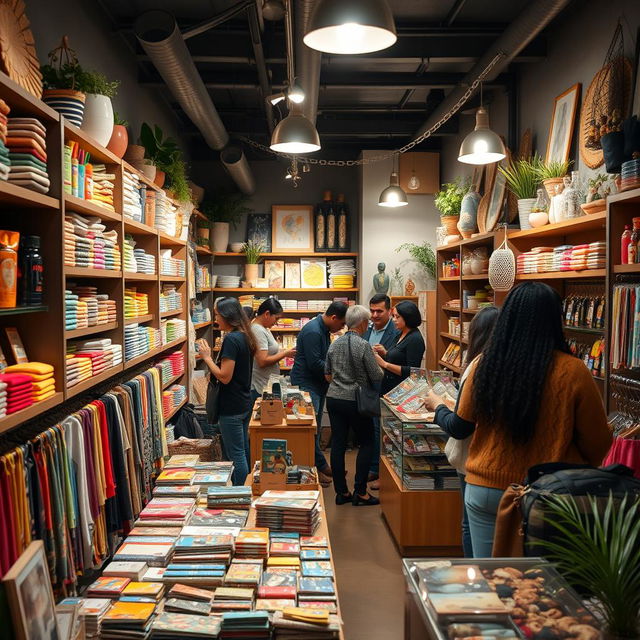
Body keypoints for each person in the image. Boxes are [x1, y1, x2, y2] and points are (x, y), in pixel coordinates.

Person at [424, 282, 612, 557]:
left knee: (491, 580)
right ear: (555, 320)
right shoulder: (574, 371)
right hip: (548, 492)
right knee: (540, 585)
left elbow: (462, 423)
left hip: (484, 486)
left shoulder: (484, 364)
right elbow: (598, 443)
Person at [425, 306, 499, 557]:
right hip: (501, 465)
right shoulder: (509, 366)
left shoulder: (477, 366)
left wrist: (437, 407)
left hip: (473, 462)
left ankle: (477, 578)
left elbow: (460, 426)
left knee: (470, 526)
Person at [325, 305, 383, 506]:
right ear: (362, 323)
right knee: (367, 442)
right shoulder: (363, 345)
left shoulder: (334, 344)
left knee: (338, 444)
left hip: (334, 398)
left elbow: (327, 373)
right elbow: (377, 375)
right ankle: (360, 492)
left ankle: (341, 492)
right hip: (356, 401)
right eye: (368, 322)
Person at [197, 297, 257, 486]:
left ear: (227, 316)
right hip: (242, 401)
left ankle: (240, 494)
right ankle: (246, 488)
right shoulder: (244, 335)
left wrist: (206, 358)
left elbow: (224, 376)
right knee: (243, 450)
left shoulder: (232, 339)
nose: (216, 319)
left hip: (231, 406)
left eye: (217, 315)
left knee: (236, 454)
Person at [290, 301, 348, 485]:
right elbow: (315, 363)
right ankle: (317, 469)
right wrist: (337, 373)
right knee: (309, 430)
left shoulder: (322, 329)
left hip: (316, 384)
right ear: (333, 318)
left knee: (313, 429)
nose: (342, 327)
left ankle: (319, 467)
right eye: (342, 323)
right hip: (307, 385)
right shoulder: (314, 331)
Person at [363, 293, 400, 489]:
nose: (375, 315)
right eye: (372, 311)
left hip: (387, 387)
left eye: (379, 311)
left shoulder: (396, 332)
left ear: (389, 311)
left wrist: (385, 355)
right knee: (370, 428)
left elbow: (401, 361)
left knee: (383, 429)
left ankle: (380, 470)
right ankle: (372, 466)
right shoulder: (367, 330)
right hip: (367, 386)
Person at [374, 300, 425, 396]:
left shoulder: (415, 338)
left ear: (408, 317)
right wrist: (385, 353)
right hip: (388, 386)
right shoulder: (400, 333)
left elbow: (412, 371)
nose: (393, 320)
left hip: (401, 391)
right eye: (393, 316)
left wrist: (384, 364)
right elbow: (399, 357)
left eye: (397, 317)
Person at [250, 298, 296, 402]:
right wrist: (284, 353)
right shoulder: (257, 330)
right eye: (276, 318)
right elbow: (262, 361)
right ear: (267, 314)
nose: (276, 323)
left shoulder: (264, 328)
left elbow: (269, 351)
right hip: (261, 386)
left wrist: (283, 352)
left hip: (266, 383)